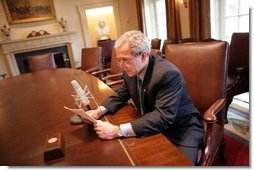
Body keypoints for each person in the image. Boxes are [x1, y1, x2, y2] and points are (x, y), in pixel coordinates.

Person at [84, 30, 204, 164]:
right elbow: (121, 94)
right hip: (152, 125)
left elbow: (163, 117)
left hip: (181, 130)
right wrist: (98, 111)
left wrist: (117, 131)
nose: (122, 66)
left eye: (125, 60)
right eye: (119, 60)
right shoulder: (132, 69)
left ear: (143, 56)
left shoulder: (167, 74)